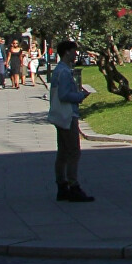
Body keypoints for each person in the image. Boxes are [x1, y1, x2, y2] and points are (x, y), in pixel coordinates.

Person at [48, 39, 94, 202]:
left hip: (59, 115)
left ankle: (62, 185)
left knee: (63, 152)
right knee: (73, 151)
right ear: (67, 52)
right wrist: (81, 96)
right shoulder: (66, 72)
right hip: (68, 115)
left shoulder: (59, 70)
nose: (76, 54)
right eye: (74, 51)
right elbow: (64, 95)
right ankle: (73, 185)